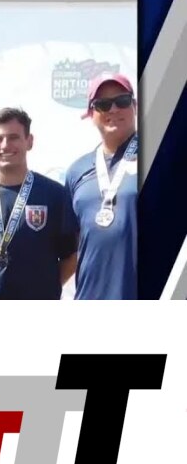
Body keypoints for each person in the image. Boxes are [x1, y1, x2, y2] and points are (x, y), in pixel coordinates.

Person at [0, 108, 79, 300]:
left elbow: (71, 255)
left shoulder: (54, 194)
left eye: (13, 137)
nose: (5, 145)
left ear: (29, 141)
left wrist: (47, 288)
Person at [64, 72, 139, 300]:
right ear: (91, 114)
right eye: (103, 105)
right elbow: (71, 247)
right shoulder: (77, 170)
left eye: (122, 101)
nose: (113, 109)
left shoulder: (160, 155)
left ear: (135, 106)